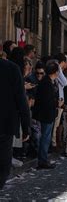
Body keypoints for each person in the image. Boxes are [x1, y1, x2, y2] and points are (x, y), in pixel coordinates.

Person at [0, 58, 30, 189]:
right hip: (4, 123)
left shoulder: (11, 68)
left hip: (5, 123)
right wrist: (25, 125)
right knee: (3, 162)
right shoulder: (11, 68)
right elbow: (21, 99)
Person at [33, 61, 61, 169]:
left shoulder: (47, 81)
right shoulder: (47, 83)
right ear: (55, 72)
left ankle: (43, 159)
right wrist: (57, 103)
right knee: (45, 137)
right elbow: (47, 100)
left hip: (46, 113)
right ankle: (43, 160)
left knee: (45, 136)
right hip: (46, 114)